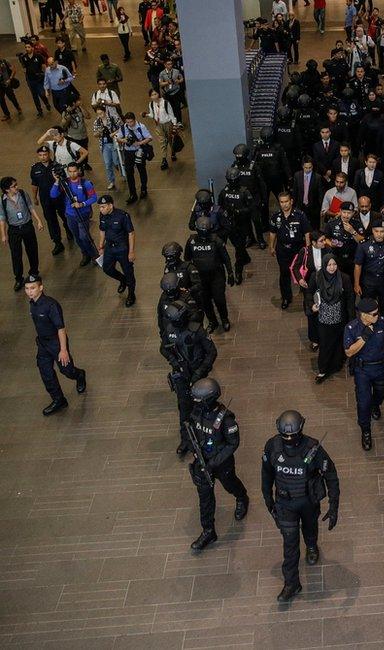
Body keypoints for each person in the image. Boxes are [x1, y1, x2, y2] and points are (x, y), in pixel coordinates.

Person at [261, 410, 340, 602]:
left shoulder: (313, 449)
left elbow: (331, 475)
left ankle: (312, 546)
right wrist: (268, 500)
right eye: (284, 435)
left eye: (292, 435)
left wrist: (333, 505)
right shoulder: (272, 446)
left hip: (308, 501)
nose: (288, 439)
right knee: (289, 545)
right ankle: (291, 584)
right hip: (285, 504)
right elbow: (266, 474)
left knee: (310, 528)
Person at [184, 378, 249, 552]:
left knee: (230, 485)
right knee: (205, 500)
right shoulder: (196, 412)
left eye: (199, 400)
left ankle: (242, 497)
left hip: (221, 463)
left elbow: (233, 443)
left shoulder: (225, 418)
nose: (196, 403)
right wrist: (194, 450)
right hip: (202, 463)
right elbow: (189, 432)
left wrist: (213, 463)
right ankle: (208, 531)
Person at [160, 300, 217, 456]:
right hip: (181, 376)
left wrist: (200, 371)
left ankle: (206, 438)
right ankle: (186, 440)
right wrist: (173, 362)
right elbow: (163, 348)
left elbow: (211, 352)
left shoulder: (196, 330)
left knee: (203, 408)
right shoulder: (170, 329)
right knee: (184, 409)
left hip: (198, 374)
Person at [26, 274, 86, 415]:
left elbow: (61, 328)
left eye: (33, 288)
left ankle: (79, 375)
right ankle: (59, 400)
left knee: (66, 370)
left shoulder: (51, 305)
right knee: (45, 372)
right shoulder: (32, 303)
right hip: (42, 344)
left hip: (56, 343)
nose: (30, 291)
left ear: (41, 288)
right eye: (27, 288)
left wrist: (63, 350)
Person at [343, 297, 384, 451]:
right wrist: (364, 338)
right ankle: (366, 430)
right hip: (362, 370)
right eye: (373, 314)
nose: (377, 315)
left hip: (381, 366)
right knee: (363, 402)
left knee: (381, 392)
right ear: (363, 315)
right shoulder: (352, 328)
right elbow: (348, 352)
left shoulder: (381, 322)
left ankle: (376, 405)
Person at [311, 253, 356, 382]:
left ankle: (336, 365)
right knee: (325, 344)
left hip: (340, 319)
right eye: (329, 265)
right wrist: (312, 306)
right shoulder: (317, 277)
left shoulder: (344, 278)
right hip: (323, 320)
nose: (332, 267)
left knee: (338, 344)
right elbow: (309, 294)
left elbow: (350, 299)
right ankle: (323, 369)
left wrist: (351, 320)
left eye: (334, 264)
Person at [185, 216, 234, 332]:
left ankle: (224, 319)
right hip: (200, 278)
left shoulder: (216, 240)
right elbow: (187, 259)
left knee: (219, 299)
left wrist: (230, 273)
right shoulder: (191, 241)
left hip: (216, 276)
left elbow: (226, 258)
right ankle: (212, 321)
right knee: (205, 301)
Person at [49, 162, 99, 266]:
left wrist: (82, 204)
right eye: (70, 172)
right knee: (77, 237)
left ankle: (94, 255)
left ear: (79, 171)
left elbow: (94, 198)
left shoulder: (86, 183)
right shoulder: (64, 183)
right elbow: (53, 195)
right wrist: (57, 181)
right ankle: (85, 254)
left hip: (83, 214)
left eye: (74, 171)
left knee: (84, 237)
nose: (72, 174)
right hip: (70, 215)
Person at [268, 191, 311, 310]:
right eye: (281, 202)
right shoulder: (276, 216)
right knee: (284, 273)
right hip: (282, 249)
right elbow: (272, 232)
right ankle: (286, 297)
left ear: (291, 201)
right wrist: (271, 246)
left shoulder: (300, 215)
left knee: (302, 271)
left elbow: (307, 232)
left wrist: (308, 249)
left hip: (297, 249)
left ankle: (306, 292)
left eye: (286, 201)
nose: (284, 204)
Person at [1, 177, 45, 292]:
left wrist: (38, 221)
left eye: (16, 184)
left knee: (32, 249)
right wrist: (3, 234)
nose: (16, 187)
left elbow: (31, 207)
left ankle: (34, 272)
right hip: (14, 229)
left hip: (27, 226)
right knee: (16, 254)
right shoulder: (3, 200)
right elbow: (2, 218)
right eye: (13, 186)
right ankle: (19, 278)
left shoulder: (22, 194)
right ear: (6, 189)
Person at [95, 195, 136, 307]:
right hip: (109, 248)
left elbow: (131, 233)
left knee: (129, 272)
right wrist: (101, 246)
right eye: (100, 207)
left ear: (110, 205)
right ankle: (122, 280)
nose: (101, 209)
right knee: (107, 268)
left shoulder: (122, 216)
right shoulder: (102, 216)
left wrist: (131, 252)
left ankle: (131, 294)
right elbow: (102, 231)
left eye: (103, 207)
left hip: (122, 248)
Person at [216, 168, 254, 285]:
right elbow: (220, 207)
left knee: (239, 248)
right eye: (230, 180)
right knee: (238, 246)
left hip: (242, 225)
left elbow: (251, 208)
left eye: (234, 180)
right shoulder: (224, 192)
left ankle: (238, 271)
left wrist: (239, 211)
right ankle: (246, 258)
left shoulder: (244, 192)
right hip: (229, 225)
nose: (232, 182)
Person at [353, 221, 384, 315]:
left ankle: (383, 327)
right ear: (372, 230)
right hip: (368, 282)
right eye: (376, 231)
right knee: (367, 308)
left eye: (382, 231)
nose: (379, 234)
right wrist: (356, 284)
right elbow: (358, 265)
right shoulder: (364, 244)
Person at [29, 147, 66, 254]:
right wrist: (34, 197)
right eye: (40, 155)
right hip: (45, 199)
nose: (42, 157)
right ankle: (57, 242)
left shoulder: (57, 166)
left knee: (65, 216)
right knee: (51, 221)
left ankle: (69, 231)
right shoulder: (35, 168)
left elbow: (64, 182)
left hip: (59, 197)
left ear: (49, 154)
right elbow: (34, 184)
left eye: (44, 154)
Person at [114, 112, 152, 204]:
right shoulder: (123, 127)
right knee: (129, 172)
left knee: (141, 170)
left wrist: (139, 143)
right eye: (128, 122)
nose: (130, 124)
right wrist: (123, 140)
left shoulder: (141, 127)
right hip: (128, 152)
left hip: (139, 151)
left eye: (131, 122)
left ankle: (143, 189)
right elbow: (117, 138)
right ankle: (132, 194)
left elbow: (150, 138)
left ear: (134, 120)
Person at [144, 88, 179, 170]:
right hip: (158, 125)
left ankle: (173, 153)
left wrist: (174, 125)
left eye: (155, 94)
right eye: (152, 95)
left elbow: (171, 115)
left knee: (171, 140)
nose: (154, 96)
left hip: (168, 124)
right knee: (162, 141)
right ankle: (164, 159)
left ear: (158, 94)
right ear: (150, 97)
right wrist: (146, 115)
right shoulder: (151, 104)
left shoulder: (166, 103)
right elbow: (153, 115)